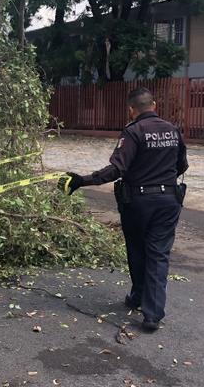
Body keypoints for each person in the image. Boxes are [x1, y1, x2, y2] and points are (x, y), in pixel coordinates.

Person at [59, 87, 188, 332]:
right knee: (158, 254)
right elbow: (181, 165)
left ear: (131, 109)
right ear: (154, 105)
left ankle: (139, 295)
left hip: (138, 203)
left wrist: (82, 181)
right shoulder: (173, 130)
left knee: (137, 250)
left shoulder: (133, 132)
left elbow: (116, 169)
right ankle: (152, 314)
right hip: (168, 201)